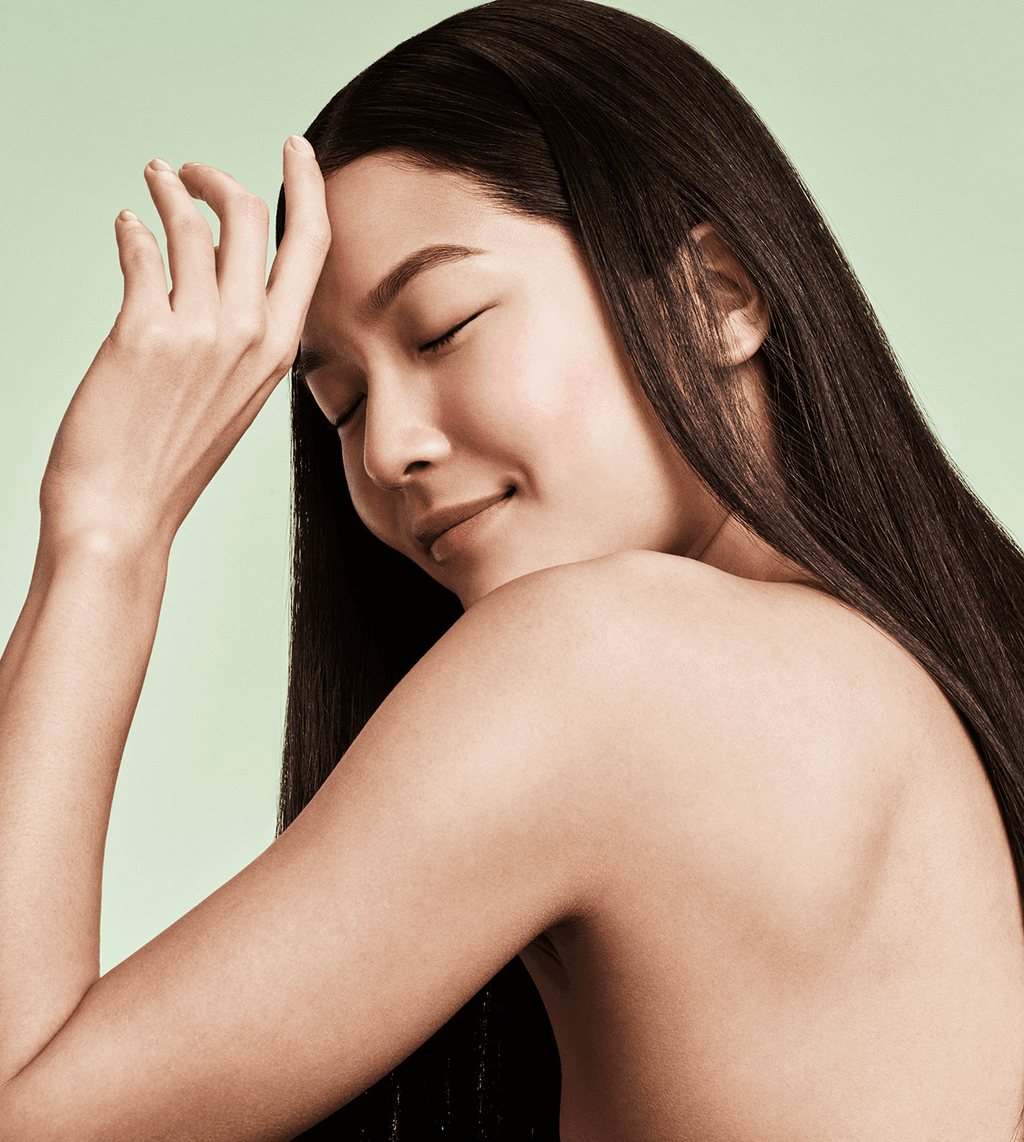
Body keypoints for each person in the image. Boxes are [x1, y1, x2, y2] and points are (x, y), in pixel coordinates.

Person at [1, 0, 1023, 1138]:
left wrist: (105, 530)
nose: (386, 446)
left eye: (442, 329)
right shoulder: (914, 689)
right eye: (338, 404)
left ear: (715, 295)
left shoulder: (611, 658)